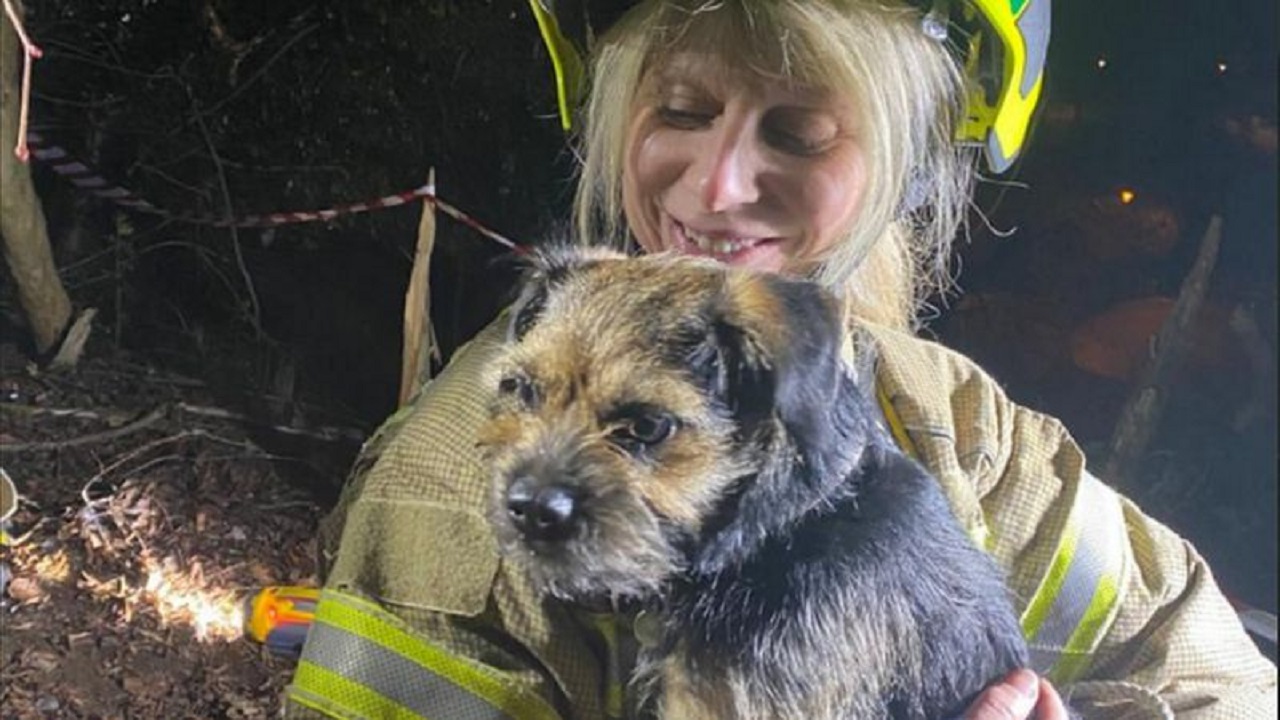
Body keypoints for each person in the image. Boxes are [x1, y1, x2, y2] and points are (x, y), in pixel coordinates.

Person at [282, 2, 1277, 718]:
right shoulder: (451, 481)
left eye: (798, 132)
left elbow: (1225, 680)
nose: (716, 186)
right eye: (677, 109)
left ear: (905, 161)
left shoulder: (956, 420)